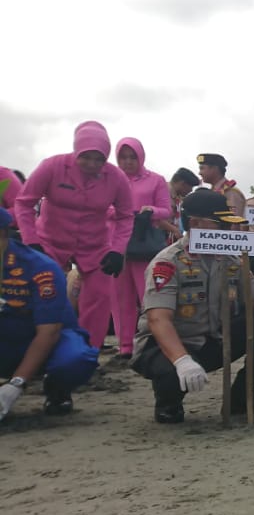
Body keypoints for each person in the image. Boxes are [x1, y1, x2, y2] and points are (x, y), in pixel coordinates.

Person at [131, 190, 254, 423]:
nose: (229, 230)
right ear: (196, 224)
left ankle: (241, 398)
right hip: (167, 346)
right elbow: (159, 319)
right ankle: (169, 402)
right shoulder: (168, 262)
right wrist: (182, 360)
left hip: (214, 339)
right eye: (222, 224)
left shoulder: (230, 259)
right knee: (170, 374)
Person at [15, 121, 133, 350]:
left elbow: (126, 216)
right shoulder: (52, 166)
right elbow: (23, 203)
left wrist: (117, 250)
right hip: (49, 240)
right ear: (75, 150)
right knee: (43, 292)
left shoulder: (116, 178)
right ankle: (36, 349)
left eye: (99, 159)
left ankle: (87, 351)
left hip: (95, 244)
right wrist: (31, 241)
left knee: (99, 296)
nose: (92, 164)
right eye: (86, 157)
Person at [0, 207, 99, 419]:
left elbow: (49, 331)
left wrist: (15, 385)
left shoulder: (39, 267)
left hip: (44, 336)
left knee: (76, 359)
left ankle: (57, 389)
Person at [111, 137, 172, 361]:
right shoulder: (110, 179)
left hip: (144, 245)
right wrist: (113, 211)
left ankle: (154, 340)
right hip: (115, 246)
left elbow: (167, 211)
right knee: (119, 298)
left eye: (132, 157)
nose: (128, 162)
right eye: (123, 157)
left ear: (141, 156)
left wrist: (151, 210)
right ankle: (125, 346)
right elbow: (98, 207)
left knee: (149, 295)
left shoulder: (156, 180)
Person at [165, 168, 201, 240]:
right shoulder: (161, 192)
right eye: (191, 187)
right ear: (183, 184)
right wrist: (174, 230)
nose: (191, 190)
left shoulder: (178, 197)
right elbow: (156, 219)